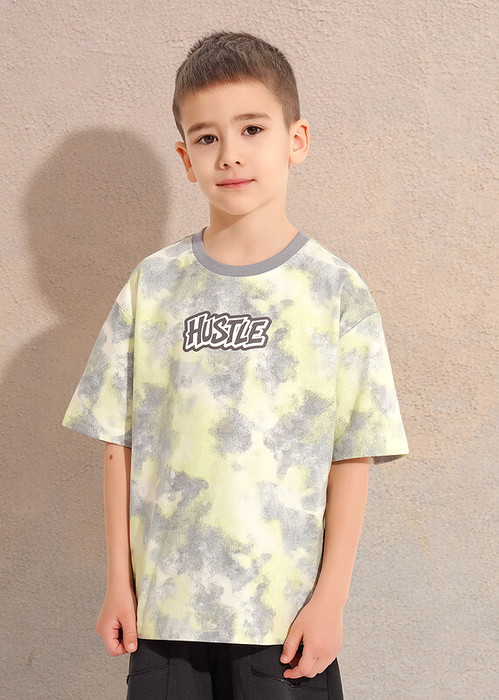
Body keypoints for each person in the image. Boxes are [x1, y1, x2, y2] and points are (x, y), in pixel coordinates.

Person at [61, 30, 409, 700]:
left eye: (251, 128)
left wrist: (329, 602)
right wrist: (117, 584)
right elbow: (118, 442)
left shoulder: (335, 291)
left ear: (295, 140)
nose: (230, 154)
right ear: (186, 158)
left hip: (282, 619)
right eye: (207, 137)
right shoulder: (153, 285)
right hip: (165, 613)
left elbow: (352, 454)